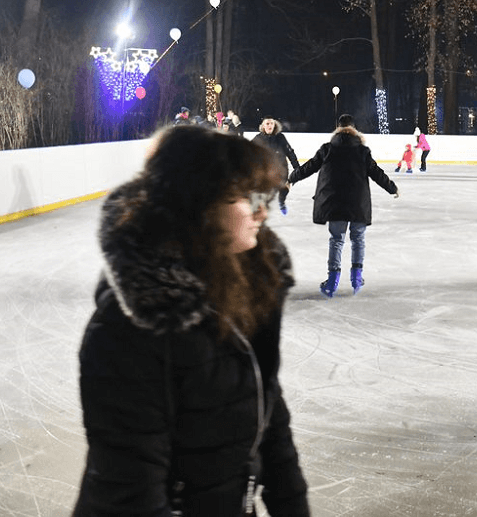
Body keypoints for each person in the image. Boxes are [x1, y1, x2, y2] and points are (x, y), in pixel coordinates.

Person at [72, 125, 311, 516]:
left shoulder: (246, 285)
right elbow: (133, 490)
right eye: (245, 198)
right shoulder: (127, 328)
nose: (262, 211)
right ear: (198, 205)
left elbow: (268, 415)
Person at [289, 114, 399, 297]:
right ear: (355, 130)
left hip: (335, 203)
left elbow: (309, 167)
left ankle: (332, 282)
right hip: (358, 204)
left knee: (337, 240)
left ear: (337, 129)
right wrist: (392, 187)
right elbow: (376, 173)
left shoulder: (327, 149)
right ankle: (356, 279)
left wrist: (292, 178)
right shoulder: (362, 151)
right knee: (358, 239)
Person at [252, 116, 301, 215]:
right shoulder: (258, 139)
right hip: (266, 171)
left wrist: (297, 168)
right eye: (267, 123)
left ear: (275, 125)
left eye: (272, 123)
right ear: (263, 126)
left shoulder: (280, 137)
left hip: (281, 169)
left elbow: (290, 152)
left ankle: (281, 201)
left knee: (285, 187)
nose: (270, 125)